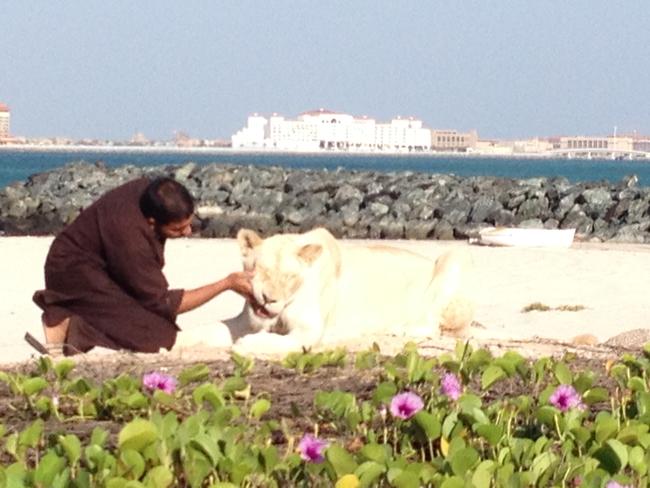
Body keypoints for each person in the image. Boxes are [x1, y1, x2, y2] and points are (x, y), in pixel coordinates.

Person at [32, 176, 253, 356]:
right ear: (151, 222)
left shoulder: (150, 193)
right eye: (178, 229)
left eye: (189, 224)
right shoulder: (130, 238)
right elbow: (163, 303)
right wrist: (227, 283)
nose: (187, 233)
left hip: (106, 263)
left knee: (153, 322)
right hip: (73, 271)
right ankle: (62, 318)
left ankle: (73, 316)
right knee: (159, 338)